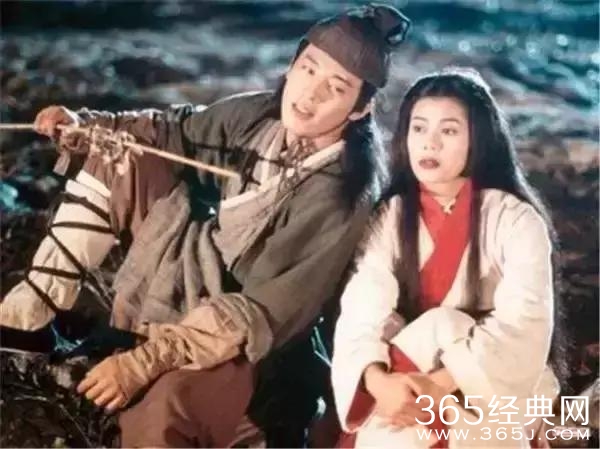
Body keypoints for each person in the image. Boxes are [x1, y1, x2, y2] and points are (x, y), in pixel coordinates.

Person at [0, 4, 411, 447]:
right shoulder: (258, 116)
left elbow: (261, 313)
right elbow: (171, 130)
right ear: (292, 64)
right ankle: (32, 310)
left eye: (336, 87)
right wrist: (88, 125)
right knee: (118, 151)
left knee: (162, 411)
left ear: (360, 109)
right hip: (202, 271)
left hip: (255, 344)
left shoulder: (342, 194)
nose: (310, 94)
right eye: (308, 69)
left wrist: (144, 362)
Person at [331, 67, 568, 448]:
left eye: (449, 130)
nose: (430, 143)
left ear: (479, 139)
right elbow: (363, 308)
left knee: (444, 326)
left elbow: (524, 322)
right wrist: (377, 380)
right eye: (419, 128)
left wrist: (440, 383)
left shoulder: (516, 220)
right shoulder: (390, 216)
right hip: (406, 375)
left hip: (493, 383)